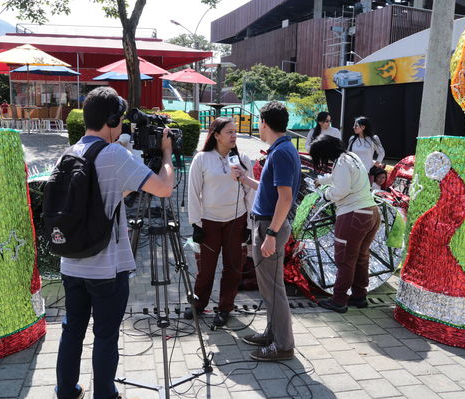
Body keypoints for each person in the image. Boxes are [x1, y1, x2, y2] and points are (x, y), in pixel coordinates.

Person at [55, 86, 174, 399]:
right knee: (105, 335)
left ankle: (66, 390)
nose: (122, 126)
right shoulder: (114, 155)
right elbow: (163, 188)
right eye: (119, 120)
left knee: (72, 329)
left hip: (70, 261)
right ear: (110, 119)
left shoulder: (69, 152)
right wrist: (167, 154)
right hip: (105, 267)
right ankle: (105, 394)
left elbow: (100, 197)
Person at [231, 101, 300, 361]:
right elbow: (271, 188)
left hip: (270, 224)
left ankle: (283, 346)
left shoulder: (281, 152)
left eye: (258, 123)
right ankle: (273, 334)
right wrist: (245, 179)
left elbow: (285, 198)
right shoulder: (282, 148)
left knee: (273, 289)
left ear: (263, 123)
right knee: (270, 288)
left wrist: (271, 234)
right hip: (268, 222)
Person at [187, 117, 255, 327]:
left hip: (237, 219)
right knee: (206, 268)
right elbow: (193, 192)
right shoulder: (202, 159)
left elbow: (250, 192)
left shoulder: (242, 158)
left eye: (235, 132)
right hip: (209, 221)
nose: (234, 136)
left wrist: (250, 225)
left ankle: (225, 308)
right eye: (229, 132)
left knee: (233, 267)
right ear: (216, 135)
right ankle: (198, 304)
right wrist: (195, 223)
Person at [310, 136, 381, 313]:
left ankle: (339, 300)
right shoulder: (351, 157)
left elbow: (341, 190)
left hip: (353, 215)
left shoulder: (340, 162)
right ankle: (359, 296)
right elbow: (339, 177)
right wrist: (322, 180)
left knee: (345, 259)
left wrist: (326, 194)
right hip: (370, 212)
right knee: (361, 257)